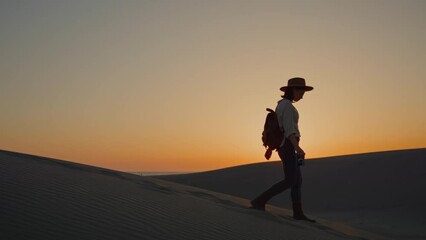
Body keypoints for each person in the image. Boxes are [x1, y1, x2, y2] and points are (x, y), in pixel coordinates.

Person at [250, 77, 315, 222]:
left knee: (297, 181)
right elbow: (288, 130)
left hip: (286, 145)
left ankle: (298, 213)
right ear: (292, 90)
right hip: (288, 145)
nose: (302, 95)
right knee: (290, 180)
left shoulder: (283, 105)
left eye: (303, 91)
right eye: (300, 91)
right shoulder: (287, 106)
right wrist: (298, 148)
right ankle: (260, 200)